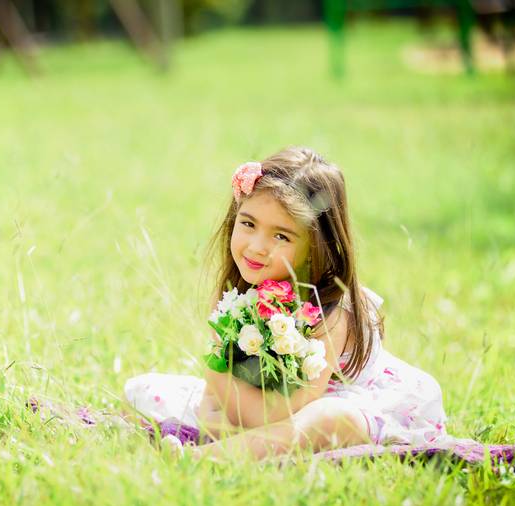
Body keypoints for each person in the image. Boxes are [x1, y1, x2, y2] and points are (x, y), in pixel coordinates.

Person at [124, 147, 448, 461]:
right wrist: (217, 418)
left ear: (317, 245)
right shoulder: (234, 296)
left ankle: (201, 458)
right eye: (248, 224)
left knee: (328, 420)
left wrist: (220, 386)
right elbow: (214, 398)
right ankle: (237, 450)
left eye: (281, 236)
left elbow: (282, 412)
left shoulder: (333, 312)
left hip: (332, 405)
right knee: (148, 391)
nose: (256, 247)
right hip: (253, 403)